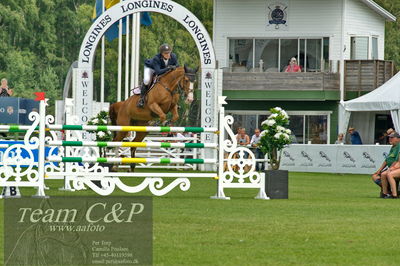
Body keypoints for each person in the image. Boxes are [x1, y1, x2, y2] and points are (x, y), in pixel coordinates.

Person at [137, 44, 179, 108]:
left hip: (162, 68)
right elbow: (158, 72)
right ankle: (141, 99)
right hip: (151, 68)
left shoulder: (173, 56)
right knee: (146, 80)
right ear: (162, 53)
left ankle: (173, 102)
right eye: (166, 53)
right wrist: (169, 68)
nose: (168, 54)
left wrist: (174, 67)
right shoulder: (156, 58)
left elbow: (177, 65)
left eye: (169, 52)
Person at [379, 132, 400, 198]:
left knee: (389, 174)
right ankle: (385, 194)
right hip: (397, 167)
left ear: (398, 139)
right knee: (383, 174)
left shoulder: (398, 146)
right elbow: (390, 160)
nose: (390, 139)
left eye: (392, 137)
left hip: (397, 168)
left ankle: (394, 195)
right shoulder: (394, 147)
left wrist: (391, 169)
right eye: (389, 137)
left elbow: (398, 162)